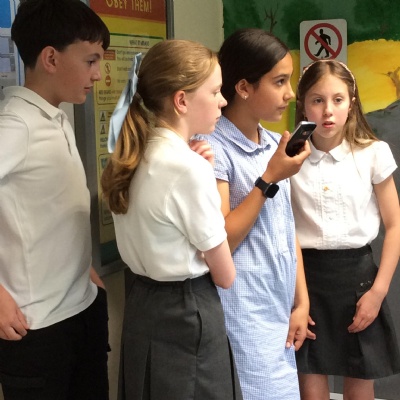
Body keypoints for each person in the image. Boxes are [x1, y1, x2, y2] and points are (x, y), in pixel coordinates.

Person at [101, 39, 243, 400]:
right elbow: (225, 275)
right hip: (187, 312)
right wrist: (203, 177)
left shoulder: (130, 157)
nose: (223, 101)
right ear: (182, 100)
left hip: (141, 305)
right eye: (215, 91)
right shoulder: (188, 169)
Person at [0, 1, 110, 399]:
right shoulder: (16, 123)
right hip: (38, 327)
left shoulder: (55, 115)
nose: (98, 74)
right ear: (50, 58)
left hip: (82, 307)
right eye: (91, 60)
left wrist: (82, 268)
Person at [195, 28, 311, 400]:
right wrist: (268, 179)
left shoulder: (273, 144)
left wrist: (302, 300)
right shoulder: (211, 147)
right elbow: (221, 240)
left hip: (280, 308)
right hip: (242, 312)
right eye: (279, 82)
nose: (290, 94)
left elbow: (286, 227)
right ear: (244, 87)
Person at [291, 59, 400, 400]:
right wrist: (299, 300)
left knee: (360, 390)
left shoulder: (373, 153)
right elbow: (286, 232)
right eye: (317, 100)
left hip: (360, 282)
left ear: (351, 103)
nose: (328, 110)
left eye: (337, 99)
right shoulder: (289, 159)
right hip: (307, 282)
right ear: (302, 105)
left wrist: (378, 292)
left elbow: (395, 225)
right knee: (311, 392)